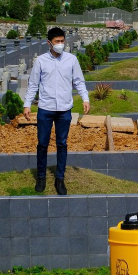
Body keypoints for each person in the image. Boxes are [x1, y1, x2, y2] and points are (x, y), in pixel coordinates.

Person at [23, 27, 89, 196]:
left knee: (62, 144)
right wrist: (27, 104)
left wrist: (85, 98)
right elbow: (33, 84)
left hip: (64, 109)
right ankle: (41, 176)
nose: (60, 44)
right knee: (42, 144)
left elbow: (79, 81)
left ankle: (60, 178)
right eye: (57, 42)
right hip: (46, 108)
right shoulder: (41, 61)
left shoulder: (71, 60)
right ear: (49, 43)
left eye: (62, 41)